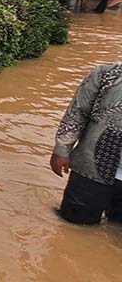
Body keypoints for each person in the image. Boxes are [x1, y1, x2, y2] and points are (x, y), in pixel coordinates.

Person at [50, 63, 122, 224]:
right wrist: (62, 149)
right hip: (92, 168)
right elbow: (77, 112)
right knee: (73, 225)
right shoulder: (107, 74)